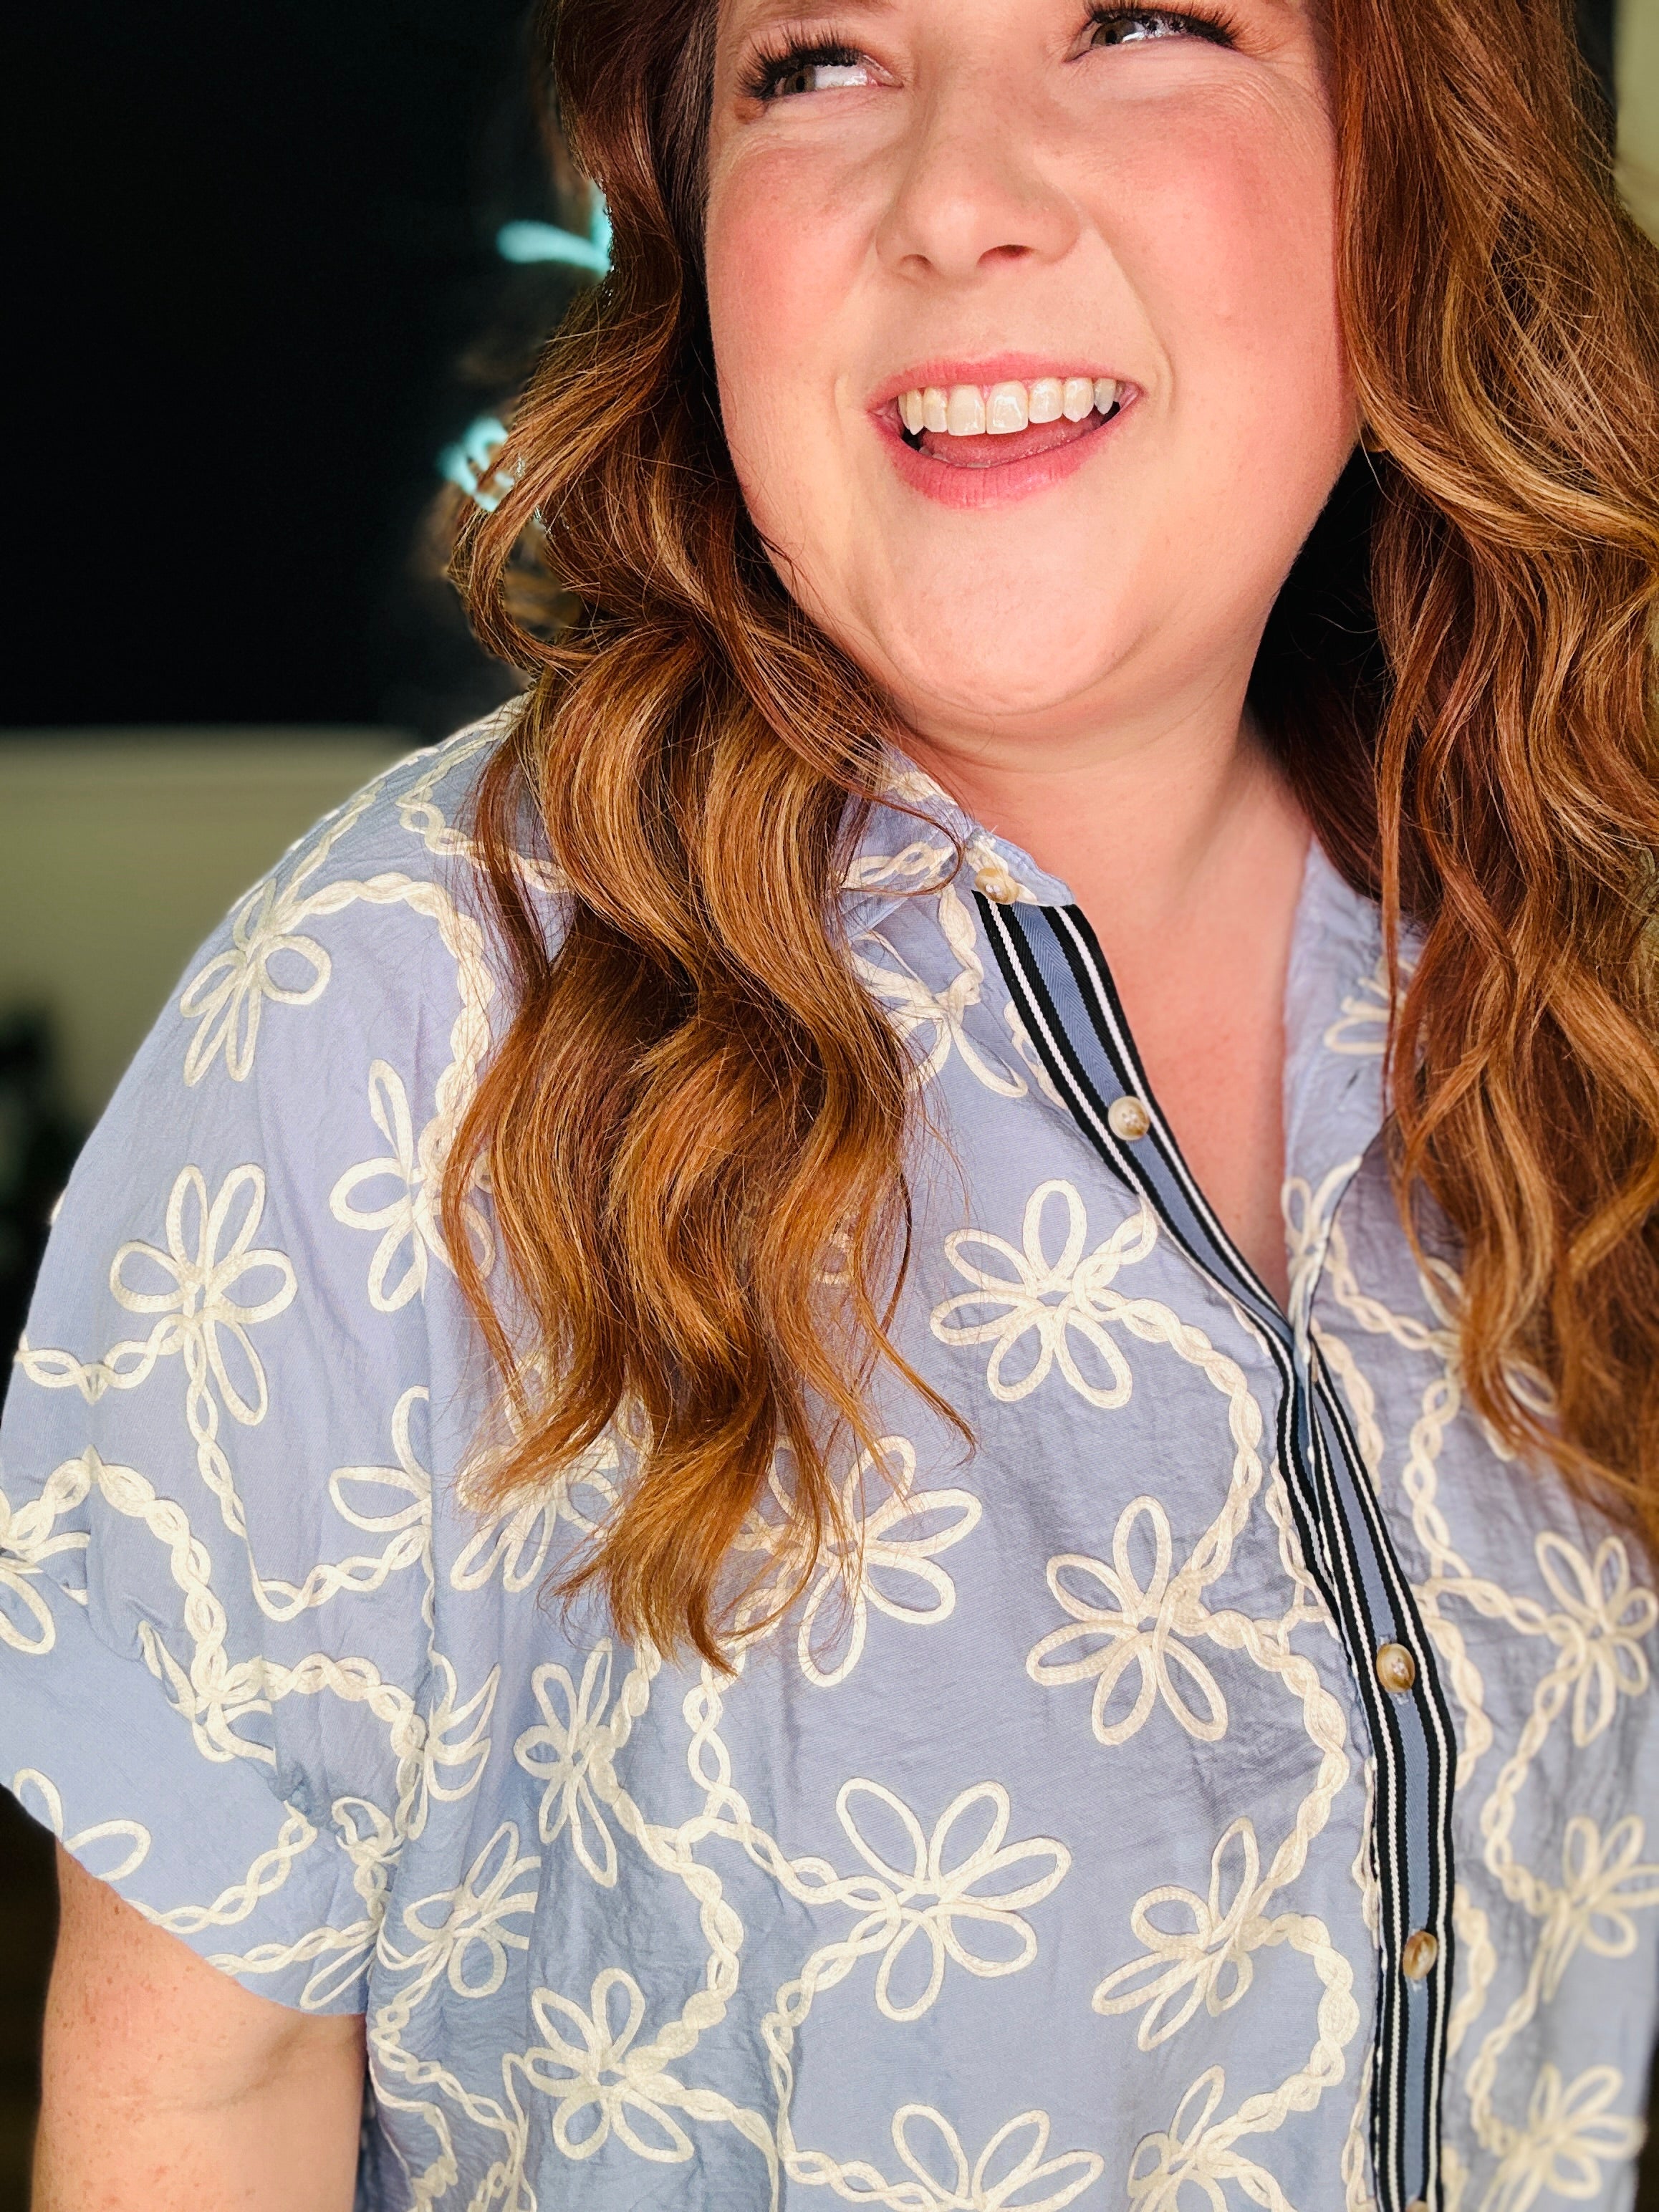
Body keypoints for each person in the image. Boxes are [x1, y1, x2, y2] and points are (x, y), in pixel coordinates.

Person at [7, 0, 1659, 2203]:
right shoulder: (402, 1017)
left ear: (1406, 161)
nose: (955, 197)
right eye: (813, 62)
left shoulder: (1562, 940)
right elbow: (200, 2105)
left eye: (1135, 21)